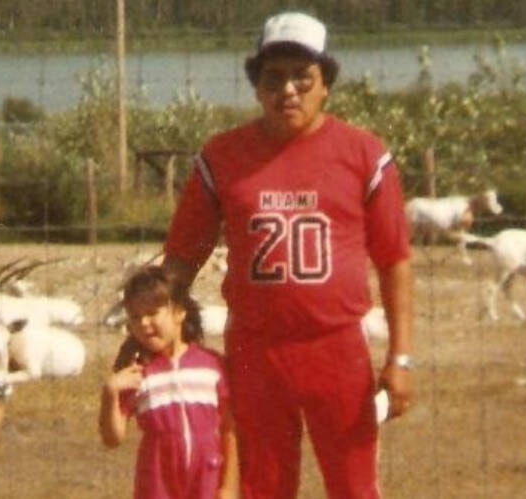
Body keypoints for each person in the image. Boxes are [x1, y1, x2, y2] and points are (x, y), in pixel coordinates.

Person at [162, 11, 414, 499]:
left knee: (353, 485)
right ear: (256, 86)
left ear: (326, 85)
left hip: (335, 345)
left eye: (303, 76)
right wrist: (155, 324)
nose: (289, 90)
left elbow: (394, 260)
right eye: (273, 77)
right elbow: (181, 257)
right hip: (256, 349)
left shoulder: (363, 154)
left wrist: (401, 356)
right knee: (264, 486)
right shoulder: (223, 156)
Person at [98, 265, 239, 499]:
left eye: (152, 313)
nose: (143, 323)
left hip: (207, 481)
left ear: (179, 313)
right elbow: (113, 438)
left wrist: (229, 487)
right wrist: (110, 392)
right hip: (157, 486)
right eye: (135, 317)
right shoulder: (136, 374)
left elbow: (229, 429)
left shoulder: (212, 365)